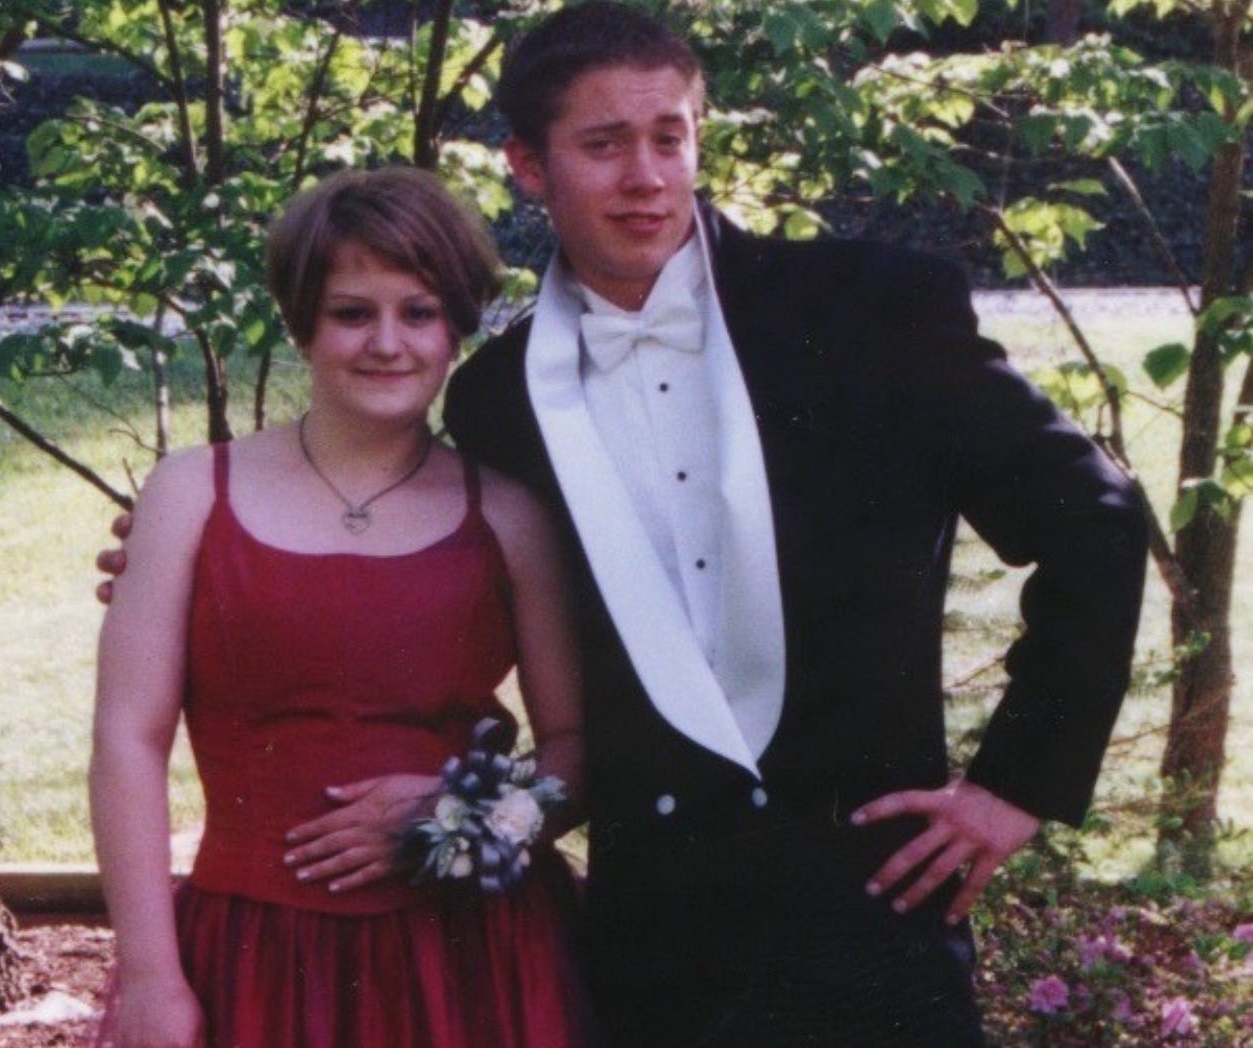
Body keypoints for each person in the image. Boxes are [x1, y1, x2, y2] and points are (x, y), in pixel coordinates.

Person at [99, 6, 1149, 1044]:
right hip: (654, 944)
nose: (644, 177)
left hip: (871, 903)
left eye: (668, 138)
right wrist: (202, 571)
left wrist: (1017, 783)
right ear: (527, 164)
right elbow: (413, 568)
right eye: (602, 145)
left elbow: (1094, 516)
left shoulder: (864, 308)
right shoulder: (495, 402)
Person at [90, 167, 594, 1048]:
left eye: (420, 312)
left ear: (458, 329)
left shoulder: (508, 514)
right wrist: (148, 974)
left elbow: (577, 747)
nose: (387, 343)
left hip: (472, 956)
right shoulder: (190, 495)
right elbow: (128, 740)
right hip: (253, 948)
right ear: (301, 324)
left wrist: (463, 814)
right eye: (352, 313)